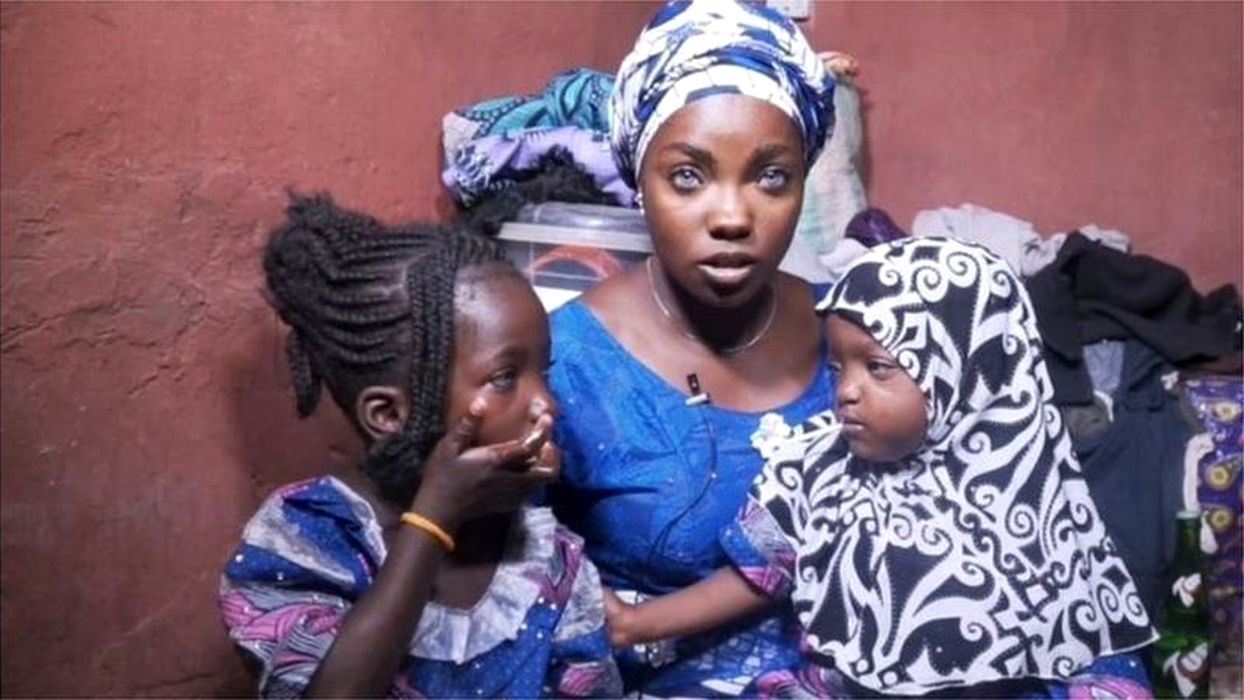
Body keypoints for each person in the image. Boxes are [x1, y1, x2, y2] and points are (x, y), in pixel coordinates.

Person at [606, 238, 1157, 698]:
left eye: (878, 368)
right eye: (837, 367)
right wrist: (637, 623)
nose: (846, 391)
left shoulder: (1030, 495)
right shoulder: (818, 469)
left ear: (961, 371)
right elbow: (760, 577)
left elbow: (1081, 630)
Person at [543, 0, 838, 695]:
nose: (732, 217)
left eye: (771, 176)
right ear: (637, 182)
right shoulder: (566, 361)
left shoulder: (854, 328)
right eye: (687, 176)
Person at [218, 193, 621, 697]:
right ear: (388, 415)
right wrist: (434, 519)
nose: (547, 405)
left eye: (543, 371)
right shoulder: (309, 538)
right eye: (505, 378)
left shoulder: (545, 558)